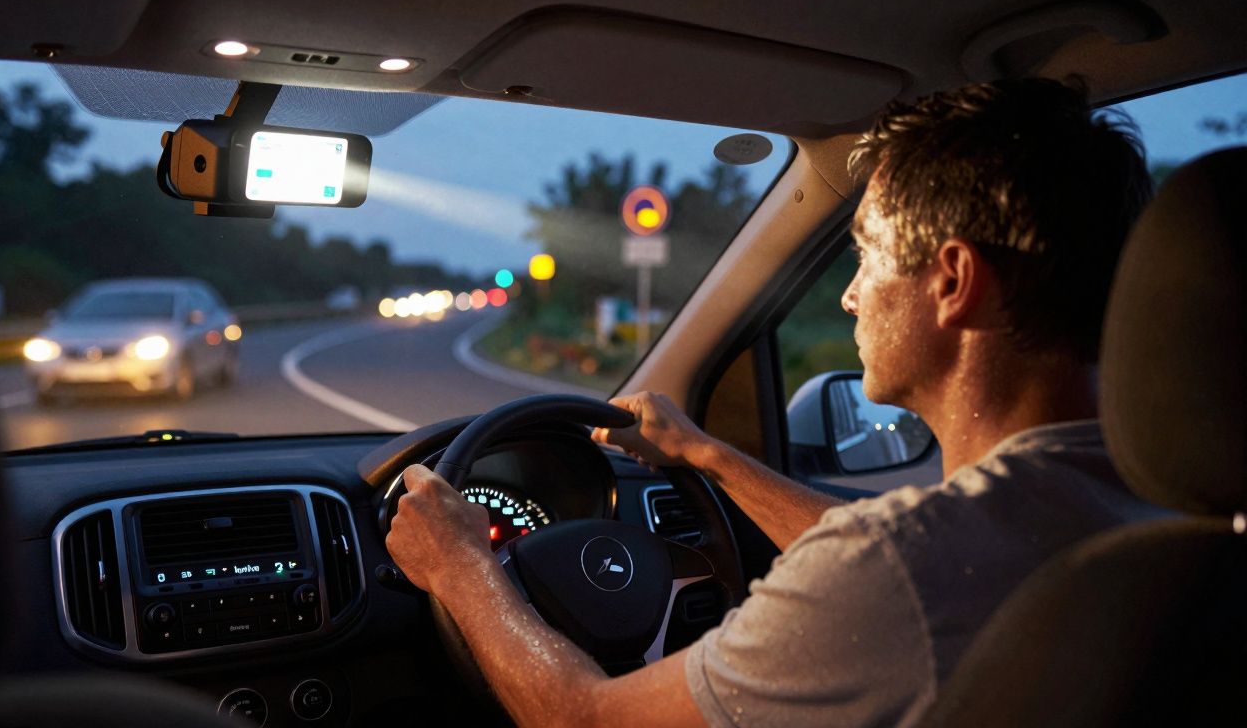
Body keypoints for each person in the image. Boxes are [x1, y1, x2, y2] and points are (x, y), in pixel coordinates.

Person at [385, 78, 1163, 727]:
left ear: (953, 283)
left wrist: (462, 568)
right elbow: (896, 555)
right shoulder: (1148, 499)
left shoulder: (904, 570)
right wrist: (708, 457)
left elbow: (582, 717)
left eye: (867, 254)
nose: (853, 295)